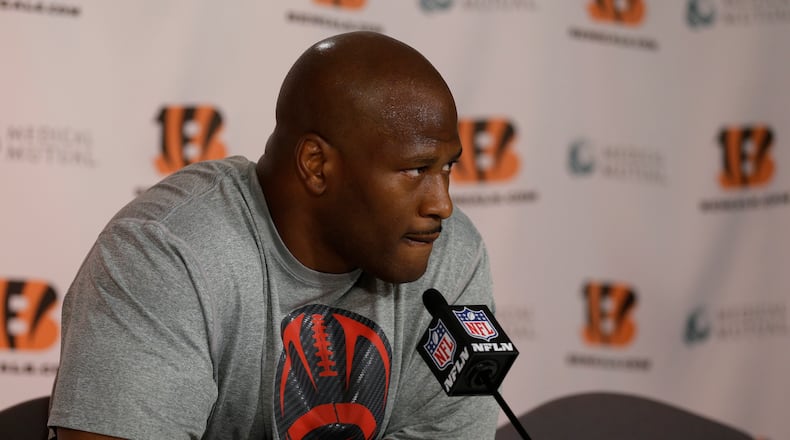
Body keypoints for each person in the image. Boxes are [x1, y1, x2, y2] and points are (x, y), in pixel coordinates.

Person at [48, 31, 499, 439]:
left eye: (448, 168)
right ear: (317, 165)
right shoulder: (166, 253)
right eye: (416, 169)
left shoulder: (448, 253)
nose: (442, 203)